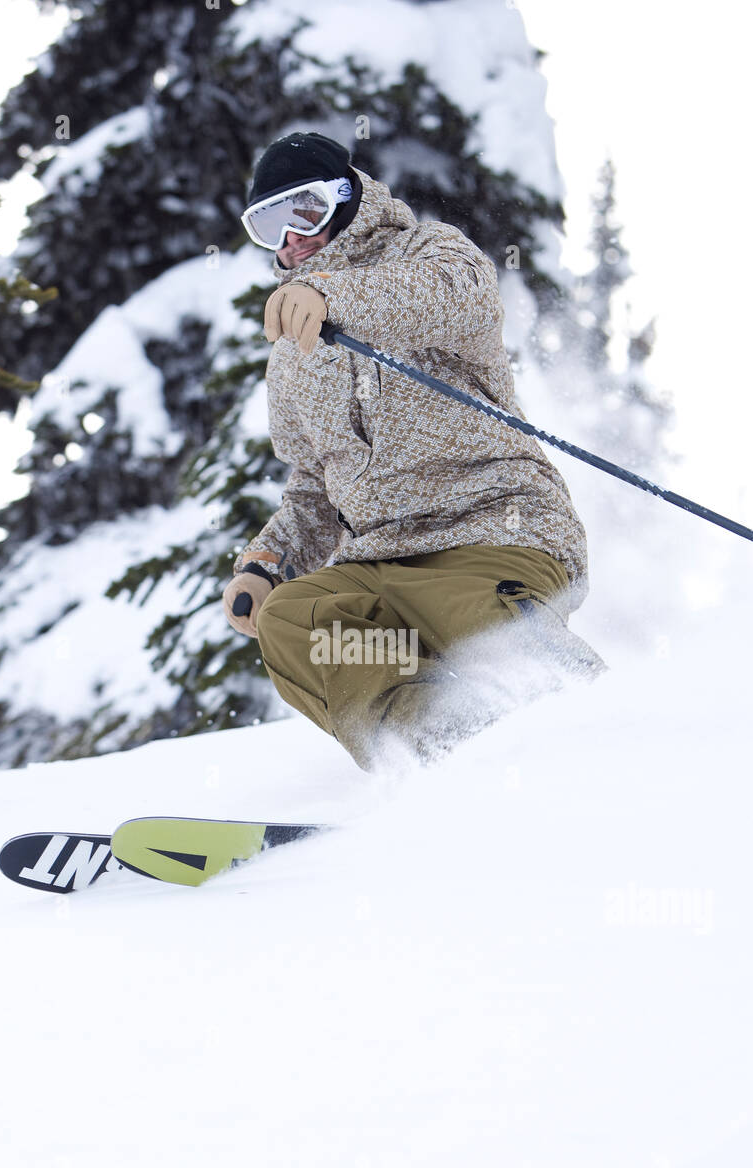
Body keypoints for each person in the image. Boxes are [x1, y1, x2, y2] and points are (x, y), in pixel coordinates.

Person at [223, 131, 604, 771]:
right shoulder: (292, 350)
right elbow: (317, 487)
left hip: (493, 535)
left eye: (305, 211)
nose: (292, 239)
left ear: (346, 198)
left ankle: (599, 738)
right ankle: (432, 747)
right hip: (380, 563)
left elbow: (464, 294)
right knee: (294, 620)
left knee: (490, 638)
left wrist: (335, 298)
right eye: (269, 225)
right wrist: (269, 559)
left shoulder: (426, 251)